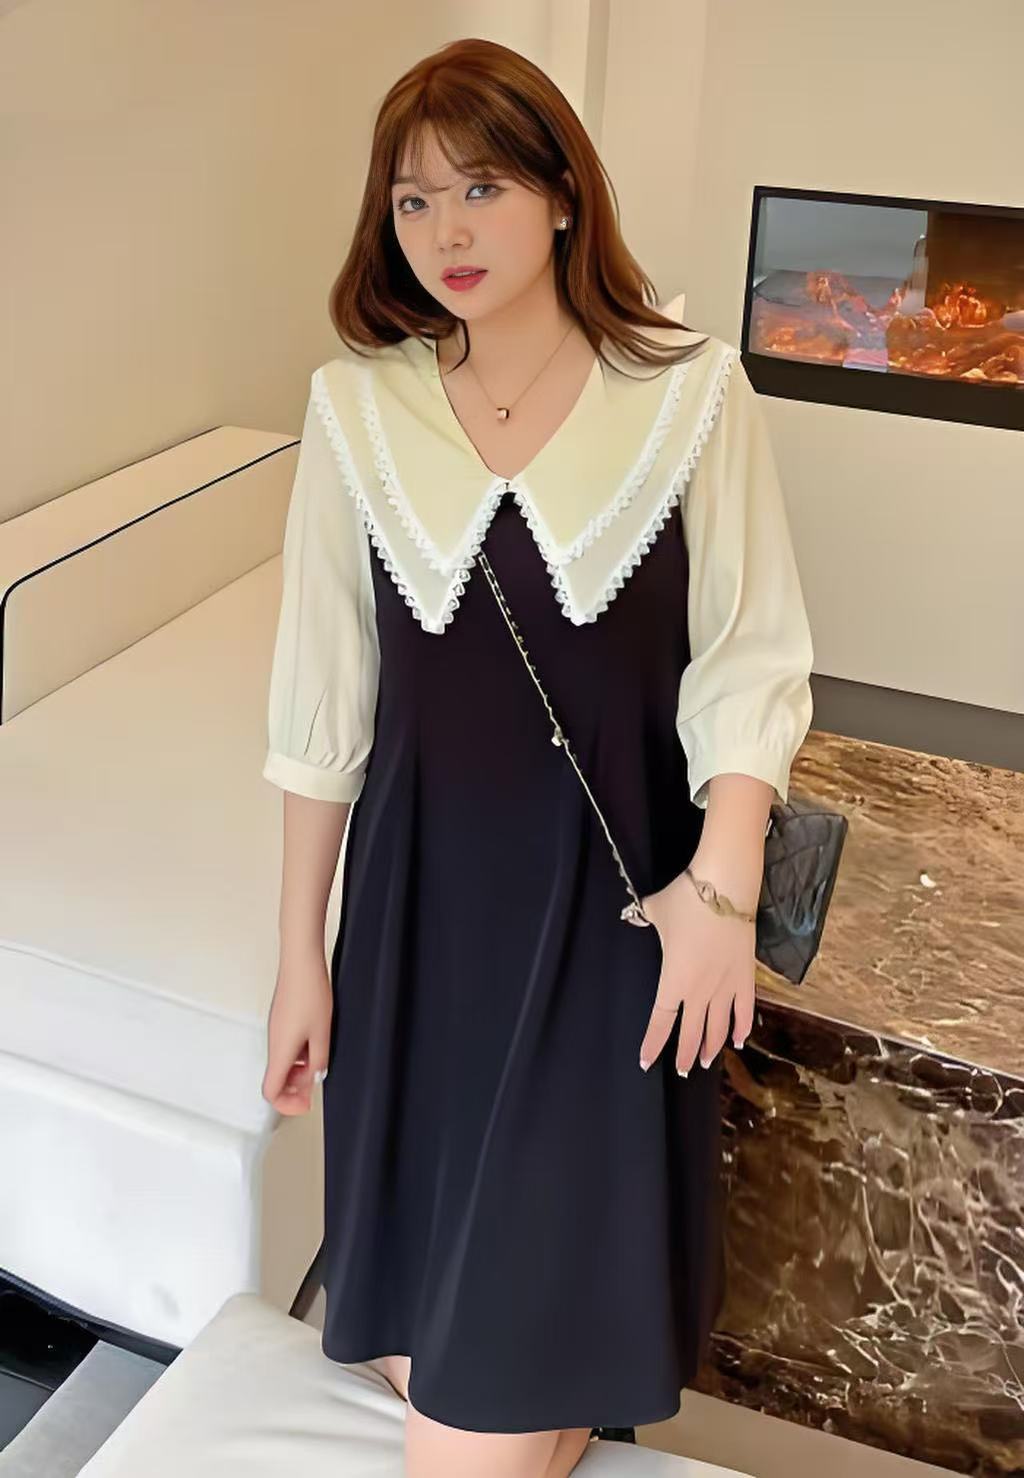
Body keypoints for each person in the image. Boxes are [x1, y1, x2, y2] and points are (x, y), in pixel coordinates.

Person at [260, 36, 814, 1478]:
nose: (445, 231)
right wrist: (302, 954)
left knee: (469, 1414)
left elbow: (749, 659)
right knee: (449, 1343)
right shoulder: (356, 408)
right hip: (421, 919)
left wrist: (723, 891)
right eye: (412, 200)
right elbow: (324, 707)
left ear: (564, 194)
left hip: (607, 924)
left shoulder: (691, 393)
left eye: (482, 188)